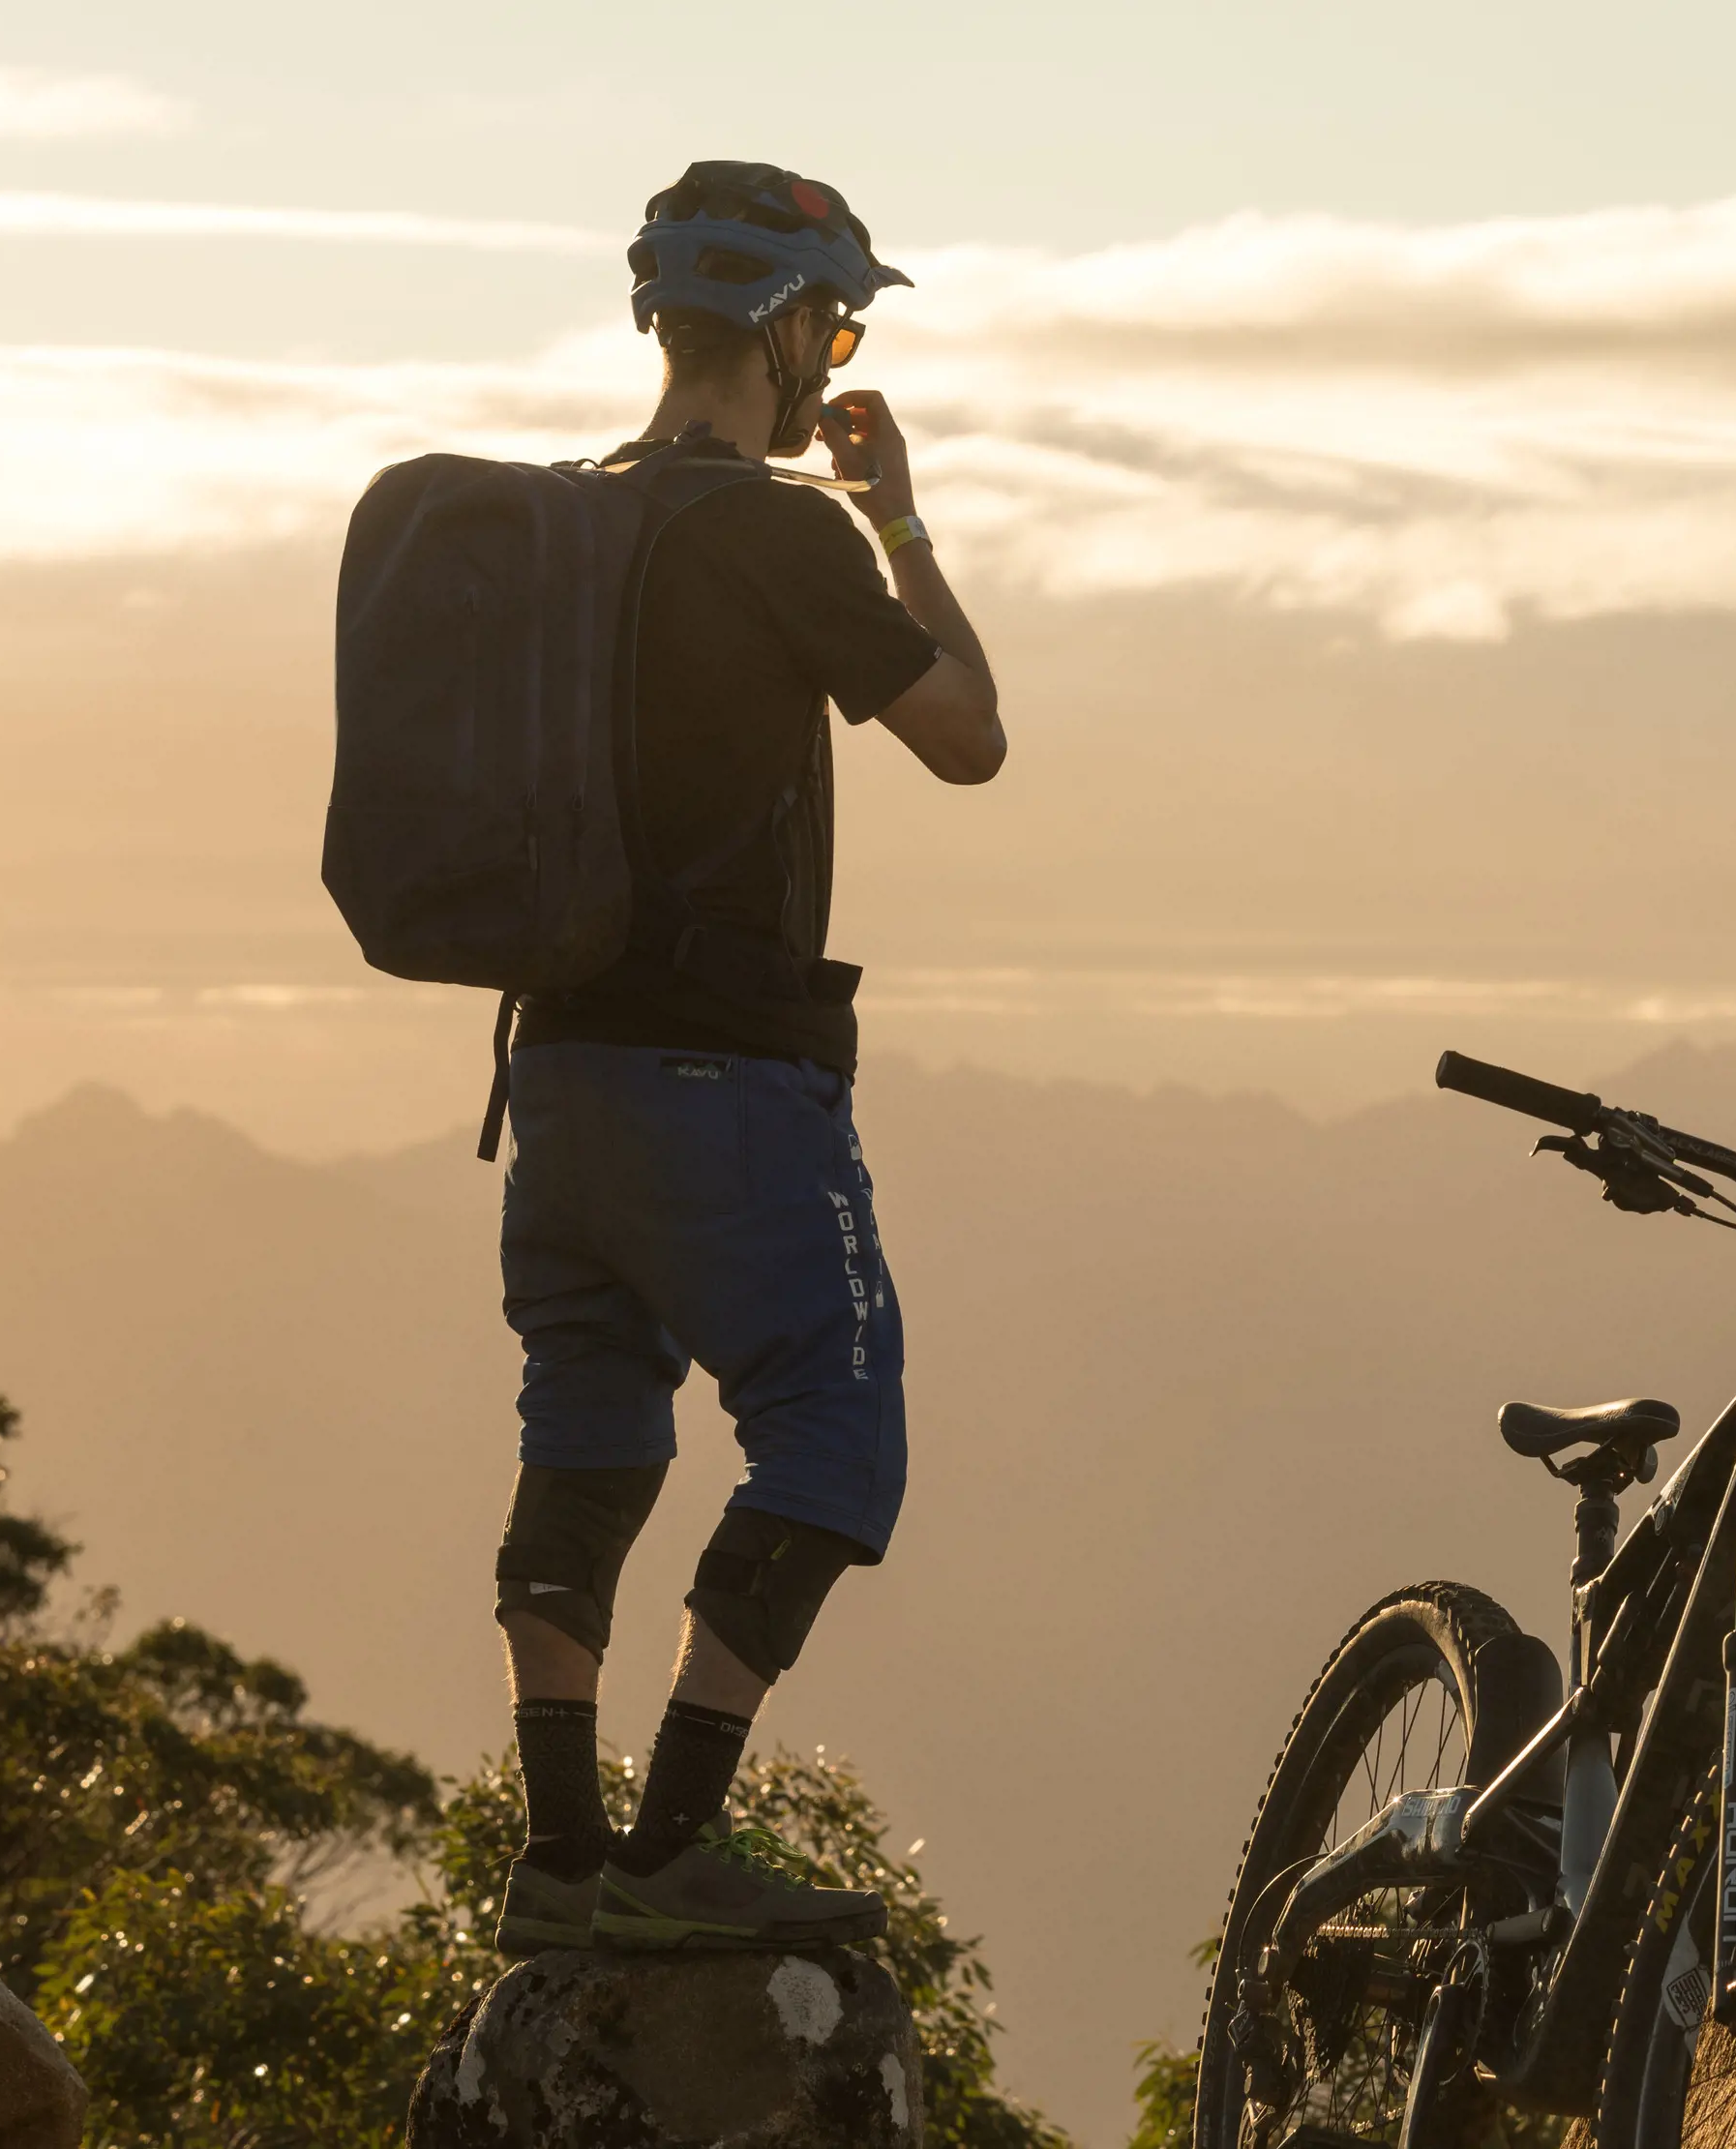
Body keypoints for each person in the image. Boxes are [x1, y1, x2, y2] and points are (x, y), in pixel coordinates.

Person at [486, 161, 1003, 1955]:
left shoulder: (563, 521)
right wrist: (899, 527)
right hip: (727, 1078)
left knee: (590, 1425)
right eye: (837, 324)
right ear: (789, 328)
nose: (832, 355)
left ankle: (558, 1865)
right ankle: (676, 1842)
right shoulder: (776, 534)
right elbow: (967, 736)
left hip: (549, 1070)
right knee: (831, 1424)